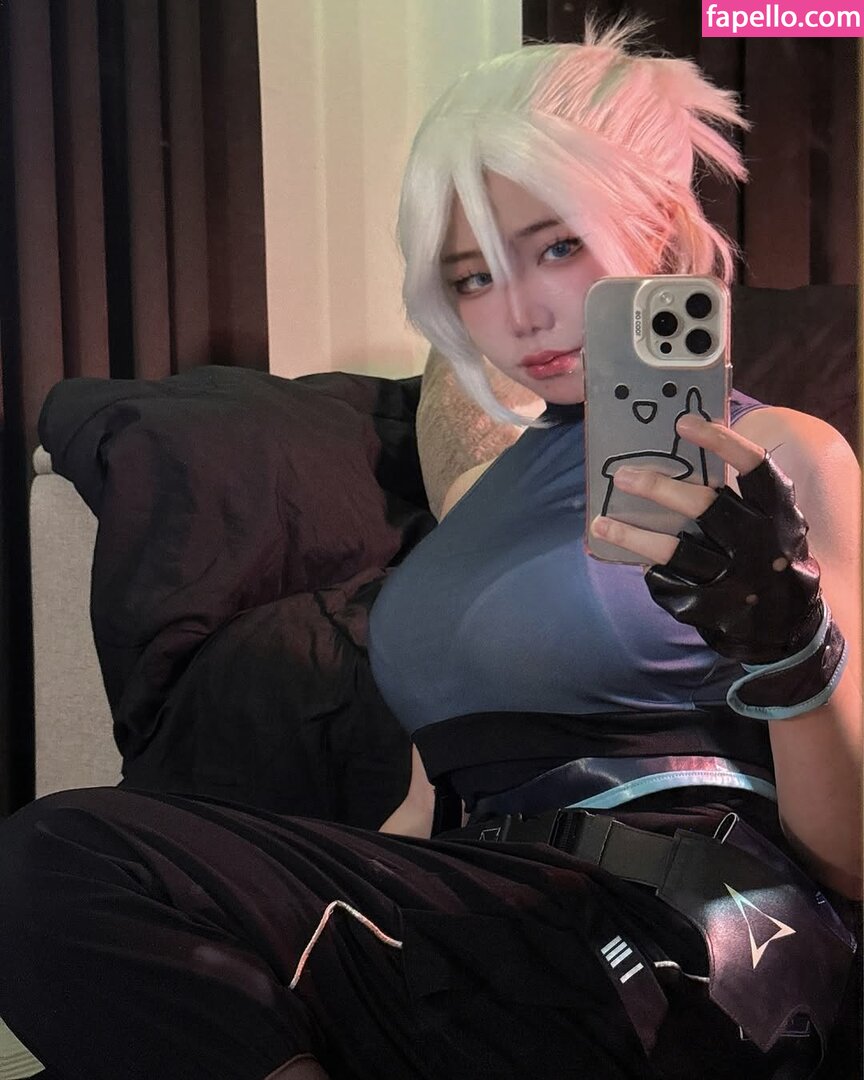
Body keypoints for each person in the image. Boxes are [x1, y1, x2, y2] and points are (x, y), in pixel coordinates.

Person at [0, 20, 859, 1080]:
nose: (520, 311)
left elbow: (852, 862)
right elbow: (417, 818)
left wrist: (792, 648)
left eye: (557, 246)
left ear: (662, 234)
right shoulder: (482, 505)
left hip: (688, 940)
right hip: (472, 934)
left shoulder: (783, 454)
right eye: (472, 276)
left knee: (65, 863)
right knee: (87, 922)